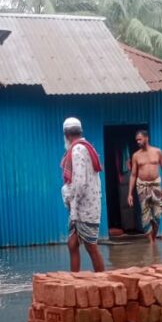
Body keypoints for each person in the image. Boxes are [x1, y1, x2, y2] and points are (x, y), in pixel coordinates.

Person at [60, 117, 105, 272]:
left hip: (84, 207)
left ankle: (103, 281)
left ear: (66, 135)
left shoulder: (78, 149)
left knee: (91, 246)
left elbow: (79, 182)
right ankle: (75, 280)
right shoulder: (84, 146)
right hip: (82, 206)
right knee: (72, 244)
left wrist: (70, 201)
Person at [126, 130, 162, 243]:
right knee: (145, 215)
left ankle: (153, 238)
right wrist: (129, 194)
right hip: (142, 186)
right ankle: (151, 244)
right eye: (137, 140)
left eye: (140, 139)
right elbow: (133, 175)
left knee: (158, 214)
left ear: (146, 138)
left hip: (156, 185)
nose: (138, 141)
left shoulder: (157, 152)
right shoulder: (136, 155)